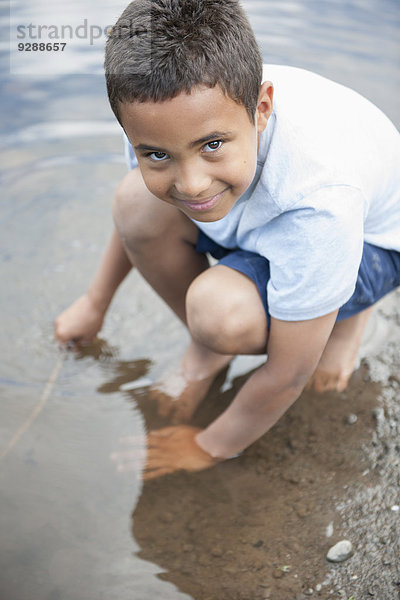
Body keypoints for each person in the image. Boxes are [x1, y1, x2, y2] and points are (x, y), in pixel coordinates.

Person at [55, 0, 400, 479]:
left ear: (261, 108)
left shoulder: (319, 203)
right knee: (136, 200)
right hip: (268, 215)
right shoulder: (163, 111)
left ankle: (344, 317)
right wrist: (95, 302)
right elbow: (136, 217)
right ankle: (214, 347)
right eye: (157, 154)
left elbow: (289, 375)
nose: (192, 183)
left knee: (219, 312)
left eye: (211, 145)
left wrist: (211, 445)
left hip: (369, 241)